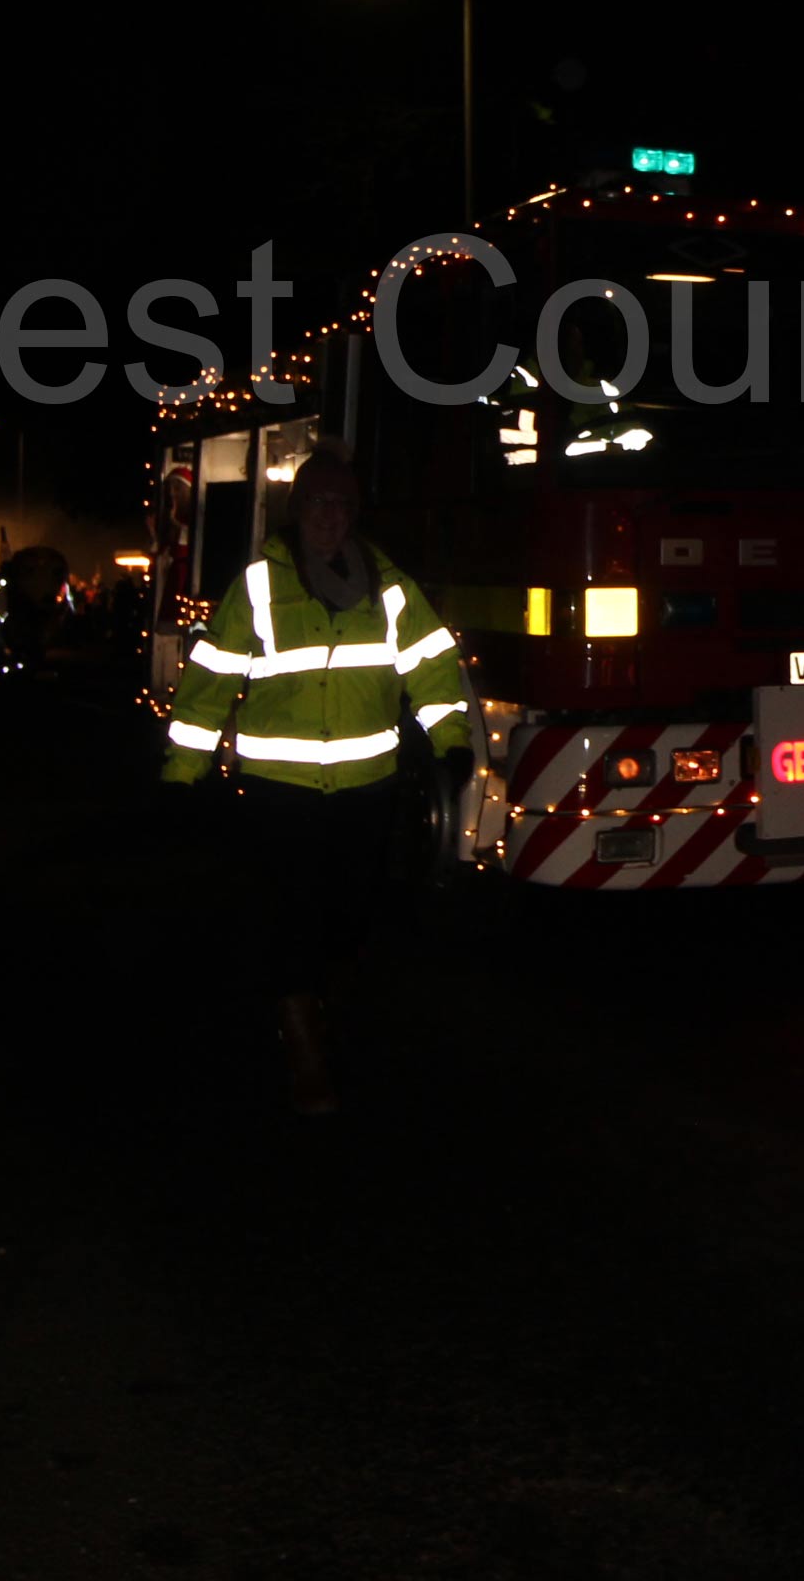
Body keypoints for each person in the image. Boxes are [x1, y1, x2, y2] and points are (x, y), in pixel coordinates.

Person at [157, 447, 471, 1114]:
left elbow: (432, 667)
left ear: (355, 514)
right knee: (289, 916)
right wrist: (182, 772)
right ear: (298, 510)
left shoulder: (390, 587)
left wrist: (452, 743)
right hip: (281, 792)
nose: (331, 516)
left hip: (366, 790)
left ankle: (317, 1005)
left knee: (348, 917)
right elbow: (209, 683)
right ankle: (304, 1047)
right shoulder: (259, 586)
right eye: (319, 503)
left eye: (342, 504)